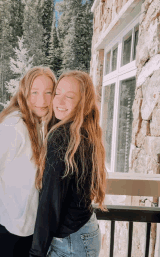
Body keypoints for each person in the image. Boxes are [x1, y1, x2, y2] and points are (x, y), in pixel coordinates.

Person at [0, 66, 57, 257]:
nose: (43, 100)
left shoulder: (40, 127)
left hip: (23, 238)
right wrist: (2, 199)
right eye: (35, 92)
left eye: (49, 92)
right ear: (24, 93)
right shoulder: (13, 129)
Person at [29, 70, 108, 257]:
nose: (59, 101)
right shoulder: (84, 132)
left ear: (83, 103)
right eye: (57, 94)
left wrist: (36, 252)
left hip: (71, 242)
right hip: (84, 233)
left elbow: (50, 201)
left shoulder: (62, 136)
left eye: (69, 96)